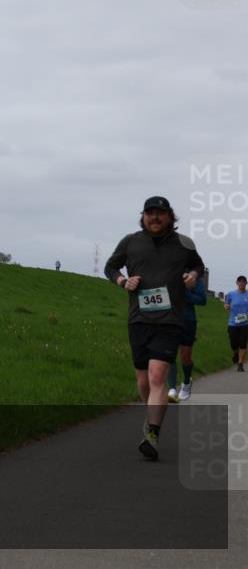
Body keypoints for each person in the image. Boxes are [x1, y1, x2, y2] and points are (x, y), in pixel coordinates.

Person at [104, 196, 205, 461]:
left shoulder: (184, 243)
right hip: (139, 319)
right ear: (143, 216)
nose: (155, 217)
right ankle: (151, 417)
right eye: (150, 213)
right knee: (143, 380)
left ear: (170, 216)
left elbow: (198, 265)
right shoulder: (130, 242)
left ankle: (152, 434)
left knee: (158, 375)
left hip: (170, 320)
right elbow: (110, 267)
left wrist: (193, 276)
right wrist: (123, 281)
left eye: (160, 213)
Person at [166, 275, 207, 402]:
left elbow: (202, 300)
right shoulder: (167, 272)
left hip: (188, 320)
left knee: (185, 357)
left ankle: (186, 382)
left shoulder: (194, 277)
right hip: (168, 319)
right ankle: (172, 388)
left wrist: (184, 293)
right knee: (169, 354)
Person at [224, 275, 248, 372]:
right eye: (240, 282)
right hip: (233, 323)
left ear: (246, 283)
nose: (242, 283)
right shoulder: (231, 294)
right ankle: (236, 353)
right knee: (233, 344)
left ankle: (240, 363)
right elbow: (226, 304)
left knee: (243, 342)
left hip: (245, 323)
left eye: (244, 282)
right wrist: (227, 306)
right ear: (237, 283)